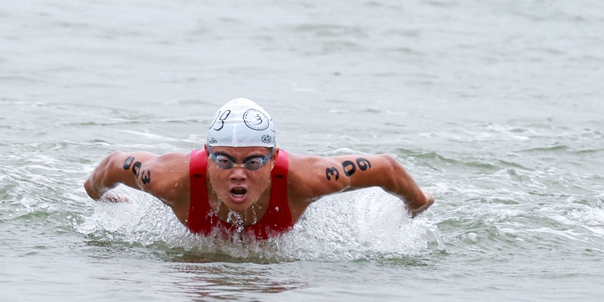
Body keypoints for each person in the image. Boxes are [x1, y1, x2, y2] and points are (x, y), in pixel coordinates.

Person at [84, 98, 434, 239]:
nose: (238, 173)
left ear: (273, 158)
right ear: (206, 156)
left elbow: (386, 168)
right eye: (223, 160)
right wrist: (100, 196)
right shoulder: (167, 178)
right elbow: (112, 165)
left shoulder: (307, 178)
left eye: (253, 161)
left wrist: (416, 204)